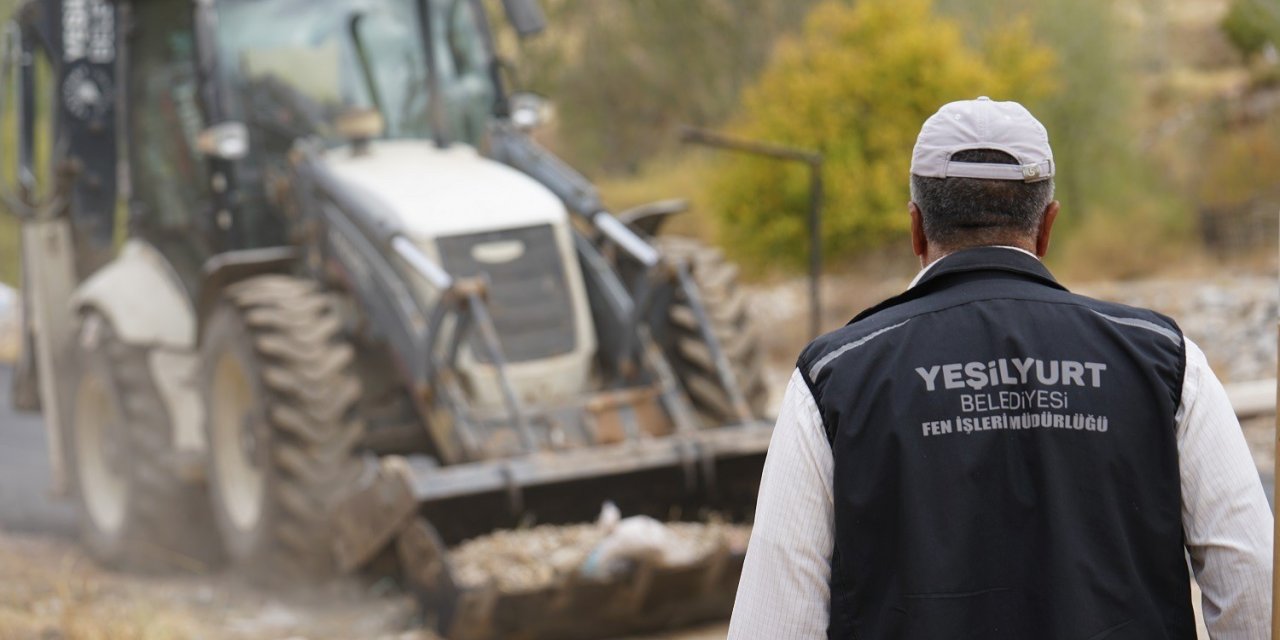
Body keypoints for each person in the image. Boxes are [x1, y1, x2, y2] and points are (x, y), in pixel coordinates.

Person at [727, 97, 1273, 639]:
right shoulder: (1166, 362)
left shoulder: (834, 381)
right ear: (1047, 226)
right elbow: (1253, 587)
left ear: (916, 228)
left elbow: (772, 624)